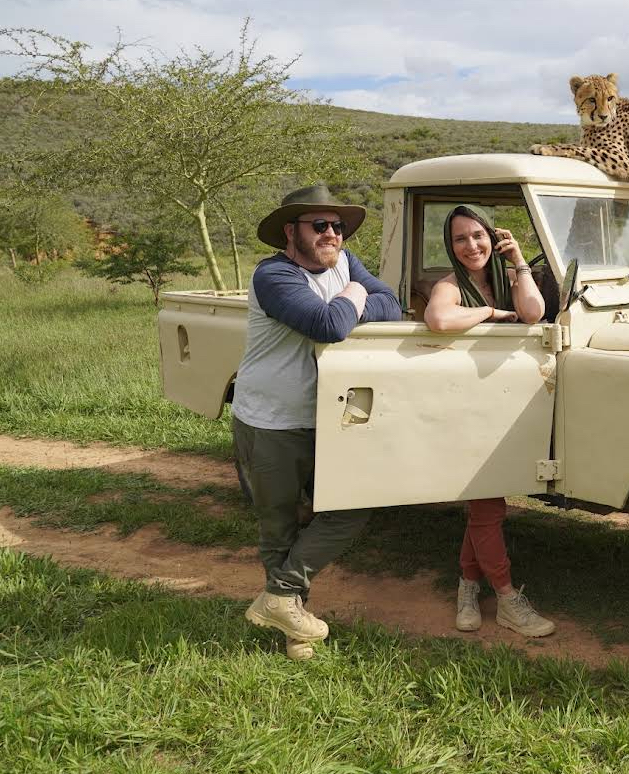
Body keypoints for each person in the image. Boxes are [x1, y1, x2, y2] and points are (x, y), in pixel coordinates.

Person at [235, 183, 402, 660]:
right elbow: (328, 326)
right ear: (291, 232)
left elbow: (390, 304)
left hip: (325, 418)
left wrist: (348, 295)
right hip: (269, 421)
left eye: (339, 226)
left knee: (354, 504)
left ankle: (281, 597)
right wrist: (353, 294)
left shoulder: (344, 263)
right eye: (321, 226)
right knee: (279, 526)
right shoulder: (274, 276)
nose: (334, 234)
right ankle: (295, 630)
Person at [424, 204, 555, 638]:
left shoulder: (506, 277)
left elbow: (534, 313)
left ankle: (467, 586)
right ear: (450, 245)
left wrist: (518, 261)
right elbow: (440, 319)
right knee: (488, 507)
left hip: (505, 401)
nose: (470, 246)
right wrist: (491, 314)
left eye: (477, 235)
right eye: (460, 239)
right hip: (466, 406)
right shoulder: (451, 286)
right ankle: (506, 598)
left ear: (492, 236)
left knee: (483, 502)